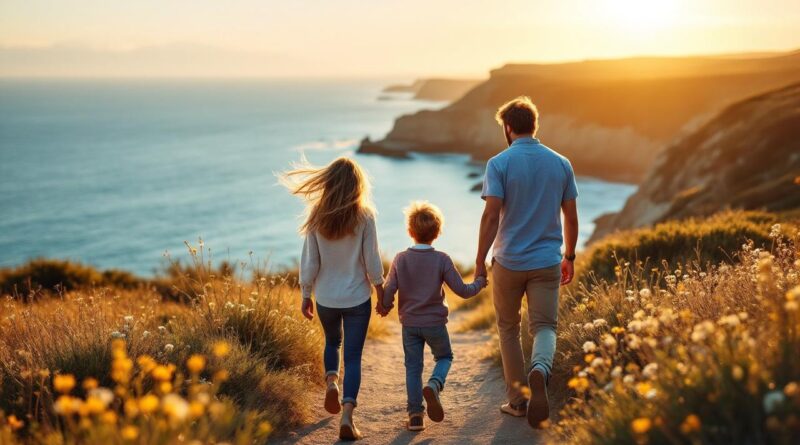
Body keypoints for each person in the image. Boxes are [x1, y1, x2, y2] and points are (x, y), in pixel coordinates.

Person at [474, 96, 579, 428]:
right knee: (545, 327)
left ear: (507, 127)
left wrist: (479, 261)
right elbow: (571, 217)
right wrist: (570, 256)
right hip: (547, 261)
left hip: (508, 261)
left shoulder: (498, 163)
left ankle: (518, 401)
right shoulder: (561, 163)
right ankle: (540, 369)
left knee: (508, 328)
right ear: (536, 125)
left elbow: (491, 216)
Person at [281, 157, 384, 441]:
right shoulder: (365, 215)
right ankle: (348, 417)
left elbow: (310, 261)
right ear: (357, 184)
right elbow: (372, 261)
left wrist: (305, 294)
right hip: (357, 298)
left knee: (332, 342)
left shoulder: (316, 216)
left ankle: (330, 382)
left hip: (326, 297)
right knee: (352, 357)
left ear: (328, 182)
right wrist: (382, 291)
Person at [381, 201, 487, 432]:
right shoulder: (442, 259)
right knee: (445, 357)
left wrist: (385, 306)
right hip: (435, 324)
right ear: (437, 233)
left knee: (412, 367)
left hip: (409, 324)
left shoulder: (400, 259)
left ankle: (415, 416)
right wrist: (480, 282)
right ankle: (435, 384)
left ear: (410, 232)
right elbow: (462, 290)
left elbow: (389, 290)